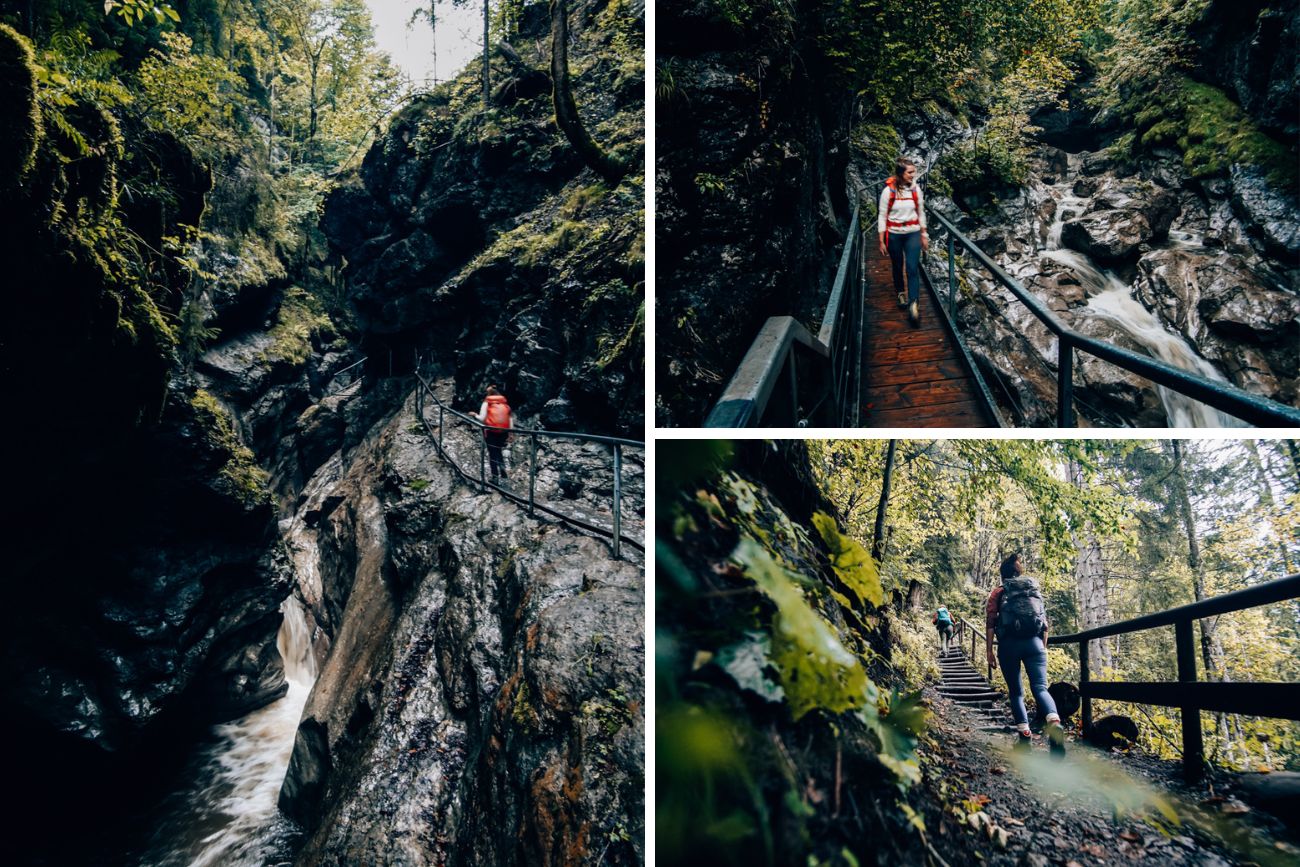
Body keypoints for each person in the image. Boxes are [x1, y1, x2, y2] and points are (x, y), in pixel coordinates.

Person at [986, 552, 1066, 757]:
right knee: (1040, 688)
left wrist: (989, 651)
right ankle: (1054, 722)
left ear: (1003, 575)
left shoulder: (998, 592)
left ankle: (1025, 736)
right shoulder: (1032, 590)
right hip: (1035, 644)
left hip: (1008, 646)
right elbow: (1044, 624)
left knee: (1016, 693)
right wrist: (1042, 647)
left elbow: (990, 624)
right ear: (1019, 572)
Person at [876, 157, 929, 326]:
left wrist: (924, 234)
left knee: (912, 268)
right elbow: (882, 216)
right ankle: (900, 292)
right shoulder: (888, 192)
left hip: (912, 233)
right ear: (900, 173)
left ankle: (914, 303)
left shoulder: (916, 190)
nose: (914, 175)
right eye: (910, 172)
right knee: (897, 265)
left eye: (914, 172)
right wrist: (881, 240)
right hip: (894, 234)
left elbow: (921, 212)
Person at [471, 384, 512, 483]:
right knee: (498, 451)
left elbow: (481, 418)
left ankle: (495, 477)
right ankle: (503, 470)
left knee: (492, 454)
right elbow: (510, 419)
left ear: (489, 393)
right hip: (503, 432)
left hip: (491, 432)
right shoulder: (504, 403)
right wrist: (511, 434)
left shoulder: (487, 402)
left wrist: (474, 415)